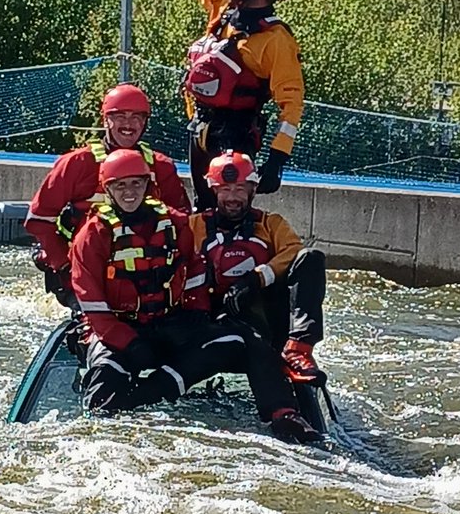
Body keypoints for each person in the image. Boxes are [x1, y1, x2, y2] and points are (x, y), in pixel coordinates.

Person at [70, 148, 319, 442]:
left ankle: (284, 413)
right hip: (121, 328)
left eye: (136, 183)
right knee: (104, 378)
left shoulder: (181, 224)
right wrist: (128, 341)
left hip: (183, 321)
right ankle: (101, 425)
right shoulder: (95, 235)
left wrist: (206, 309)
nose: (232, 197)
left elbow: (193, 271)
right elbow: (91, 302)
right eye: (120, 185)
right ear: (107, 189)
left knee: (250, 343)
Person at [24, 82, 190, 311]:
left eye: (136, 117)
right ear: (105, 120)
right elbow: (39, 220)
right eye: (120, 116)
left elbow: (183, 225)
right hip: (79, 270)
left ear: (145, 122)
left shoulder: (162, 168)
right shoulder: (76, 164)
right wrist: (65, 266)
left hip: (142, 275)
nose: (128, 124)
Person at [188, 150, 330, 409]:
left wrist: (256, 278)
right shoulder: (192, 226)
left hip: (264, 318)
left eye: (241, 189)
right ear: (213, 190)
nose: (233, 197)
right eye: (225, 189)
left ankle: (298, 349)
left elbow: (294, 252)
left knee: (311, 258)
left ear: (253, 189)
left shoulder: (271, 224)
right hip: (212, 318)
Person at [184, 0, 304, 209]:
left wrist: (277, 159)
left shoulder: (276, 40)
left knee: (230, 208)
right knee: (202, 206)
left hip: (236, 135)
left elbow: (292, 103)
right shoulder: (226, 8)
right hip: (200, 129)